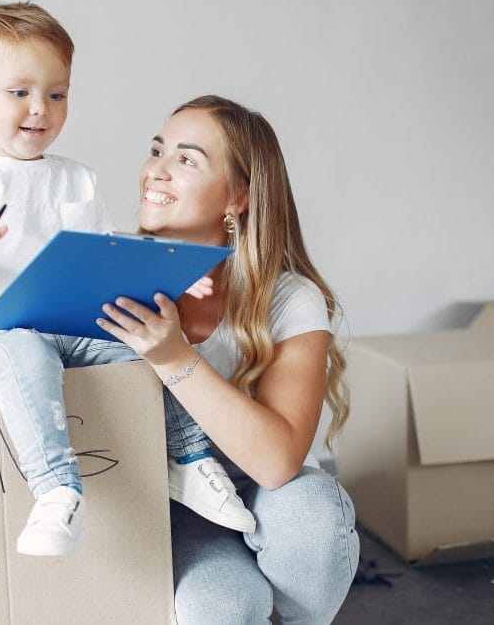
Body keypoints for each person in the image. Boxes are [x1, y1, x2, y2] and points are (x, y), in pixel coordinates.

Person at [0, 3, 252, 557]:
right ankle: (55, 491)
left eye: (56, 94)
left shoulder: (78, 177)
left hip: (68, 328)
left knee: (145, 351)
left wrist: (169, 273)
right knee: (25, 356)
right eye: (19, 92)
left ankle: (189, 459)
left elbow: (107, 257)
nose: (39, 109)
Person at [96, 95, 359, 623]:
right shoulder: (102, 273)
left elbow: (278, 461)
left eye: (186, 159)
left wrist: (174, 359)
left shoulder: (288, 299)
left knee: (313, 515)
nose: (156, 171)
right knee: (221, 608)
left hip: (261, 493)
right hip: (171, 509)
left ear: (238, 197)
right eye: (157, 150)